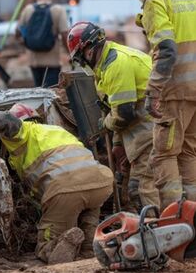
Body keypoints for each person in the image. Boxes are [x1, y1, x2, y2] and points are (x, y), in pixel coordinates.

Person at [0, 104, 113, 264]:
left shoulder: (24, 132)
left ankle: (54, 250)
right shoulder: (57, 131)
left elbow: (5, 120)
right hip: (101, 181)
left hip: (66, 188)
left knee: (46, 243)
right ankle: (90, 249)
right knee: (88, 214)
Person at [120, 0, 196, 209]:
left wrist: (153, 91)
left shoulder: (156, 1)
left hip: (174, 92)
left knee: (164, 156)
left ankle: (173, 219)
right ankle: (192, 221)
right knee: (189, 154)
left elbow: (166, 49)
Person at [67, 21, 160, 210]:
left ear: (88, 51)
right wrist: (118, 144)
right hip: (144, 128)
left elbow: (124, 113)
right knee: (136, 187)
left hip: (152, 127)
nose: (82, 63)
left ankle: (158, 231)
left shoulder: (116, 64)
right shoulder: (106, 65)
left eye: (80, 58)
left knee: (140, 189)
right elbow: (115, 108)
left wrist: (105, 124)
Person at [17, 0, 69, 87]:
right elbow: (64, 34)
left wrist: (26, 43)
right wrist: (69, 53)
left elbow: (18, 32)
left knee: (38, 90)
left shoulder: (28, 9)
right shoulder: (58, 10)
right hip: (52, 61)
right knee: (51, 92)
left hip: (33, 60)